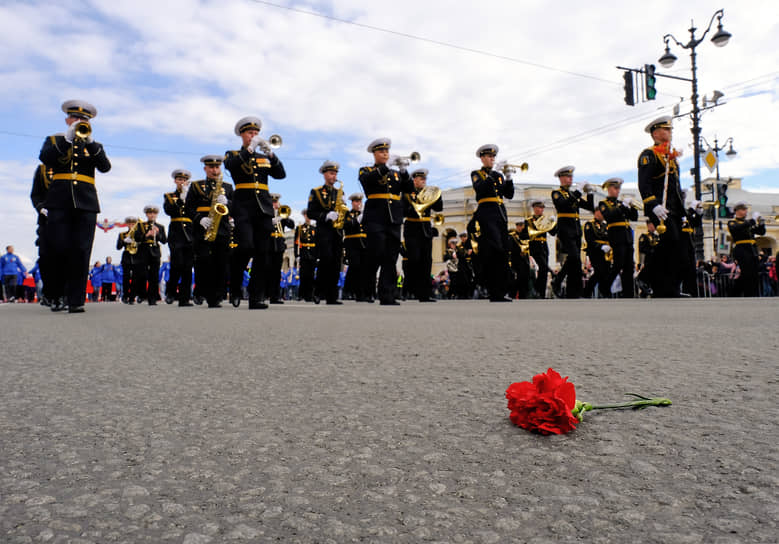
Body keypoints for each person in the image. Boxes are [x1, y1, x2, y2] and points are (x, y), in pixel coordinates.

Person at [38, 99, 111, 313]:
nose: (79, 121)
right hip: (59, 201)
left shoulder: (94, 145)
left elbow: (105, 167)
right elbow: (46, 158)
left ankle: (76, 299)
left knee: (81, 251)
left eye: (84, 119)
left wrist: (90, 143)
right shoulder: (54, 140)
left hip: (86, 203)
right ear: (67, 119)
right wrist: (67, 140)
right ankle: (57, 296)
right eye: (75, 118)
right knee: (58, 249)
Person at [224, 116, 286, 309]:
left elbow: (281, 174)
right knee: (245, 247)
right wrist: (250, 148)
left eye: (256, 133)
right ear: (242, 135)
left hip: (264, 208)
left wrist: (272, 156)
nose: (254, 136)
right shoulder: (233, 154)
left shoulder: (263, 157)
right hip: (243, 207)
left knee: (263, 253)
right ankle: (234, 287)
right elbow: (231, 166)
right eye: (250, 133)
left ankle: (255, 296)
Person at [358, 138, 415, 305]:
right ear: (374, 154)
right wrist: (386, 166)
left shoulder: (396, 174)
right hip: (375, 218)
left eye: (387, 151)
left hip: (394, 218)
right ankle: (367, 290)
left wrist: (404, 171)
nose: (385, 154)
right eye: (381, 151)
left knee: (390, 256)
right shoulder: (366, 170)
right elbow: (368, 181)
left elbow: (409, 189)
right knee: (376, 253)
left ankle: (387, 295)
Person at [638, 116, 685, 297]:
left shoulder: (670, 157)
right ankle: (644, 275)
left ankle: (668, 288)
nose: (670, 132)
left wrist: (682, 212)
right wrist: (653, 204)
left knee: (675, 247)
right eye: (667, 129)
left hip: (672, 208)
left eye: (670, 129)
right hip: (659, 207)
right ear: (656, 133)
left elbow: (676, 187)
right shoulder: (649, 155)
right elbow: (644, 184)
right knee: (670, 241)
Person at [185, 155, 234, 308]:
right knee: (202, 262)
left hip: (222, 228)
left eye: (217, 167)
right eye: (211, 167)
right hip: (202, 229)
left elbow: (236, 208)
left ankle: (216, 296)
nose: (214, 170)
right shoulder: (196, 186)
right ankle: (200, 292)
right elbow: (188, 208)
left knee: (221, 263)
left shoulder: (227, 187)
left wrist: (228, 203)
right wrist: (199, 219)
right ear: (205, 169)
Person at [469, 144, 514, 302]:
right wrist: (492, 175)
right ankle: (493, 289)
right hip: (486, 213)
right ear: (482, 158)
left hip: (500, 214)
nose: (492, 159)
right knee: (494, 249)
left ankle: (500, 291)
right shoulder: (477, 174)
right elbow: (480, 189)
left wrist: (508, 177)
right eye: (489, 156)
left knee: (503, 251)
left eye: (493, 157)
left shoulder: (499, 176)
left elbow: (509, 194)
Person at [550, 166, 593, 298]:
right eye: (568, 177)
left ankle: (573, 292)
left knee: (576, 262)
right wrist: (578, 191)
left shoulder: (572, 195)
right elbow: (564, 205)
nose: (570, 179)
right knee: (573, 257)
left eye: (571, 177)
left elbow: (589, 207)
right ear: (561, 178)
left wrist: (590, 192)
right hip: (565, 228)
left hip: (575, 229)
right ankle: (557, 280)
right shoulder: (557, 193)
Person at [307, 161, 346, 304]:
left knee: (336, 263)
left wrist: (343, 206)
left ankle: (332, 296)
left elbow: (343, 213)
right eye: (331, 173)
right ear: (324, 174)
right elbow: (311, 212)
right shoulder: (316, 192)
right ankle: (318, 292)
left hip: (337, 232)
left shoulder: (339, 193)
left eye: (335, 173)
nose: (334, 176)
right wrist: (325, 216)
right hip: (324, 231)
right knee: (325, 261)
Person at [401, 168, 443, 302]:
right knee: (414, 260)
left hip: (425, 229)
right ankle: (408, 290)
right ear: (414, 180)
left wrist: (437, 196)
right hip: (412, 228)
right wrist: (414, 207)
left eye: (425, 179)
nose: (424, 181)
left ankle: (424, 293)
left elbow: (438, 208)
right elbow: (403, 211)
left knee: (426, 261)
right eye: (421, 178)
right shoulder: (407, 193)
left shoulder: (428, 193)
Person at [598, 178, 638, 298]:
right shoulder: (604, 204)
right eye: (615, 188)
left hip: (627, 237)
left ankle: (628, 293)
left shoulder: (621, 204)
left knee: (629, 266)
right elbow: (610, 216)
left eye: (619, 188)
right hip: (616, 236)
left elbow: (634, 217)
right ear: (609, 189)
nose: (617, 191)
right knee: (618, 264)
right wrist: (623, 206)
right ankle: (604, 286)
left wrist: (633, 206)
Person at [163, 169, 195, 306]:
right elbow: (169, 210)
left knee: (188, 267)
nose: (182, 182)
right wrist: (180, 200)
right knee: (177, 264)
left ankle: (184, 298)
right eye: (179, 180)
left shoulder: (193, 196)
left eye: (184, 180)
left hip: (190, 232)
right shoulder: (169, 196)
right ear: (175, 181)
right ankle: (170, 293)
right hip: (176, 233)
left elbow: (194, 212)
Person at [728, 201, 766, 297]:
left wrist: (761, 224)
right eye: (744, 209)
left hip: (752, 250)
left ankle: (752, 294)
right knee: (746, 273)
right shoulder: (732, 222)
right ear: (737, 211)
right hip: (742, 249)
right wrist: (752, 220)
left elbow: (761, 232)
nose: (746, 211)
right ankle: (745, 294)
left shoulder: (747, 223)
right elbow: (737, 228)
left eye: (746, 209)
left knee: (753, 273)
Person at [30, 164, 54, 305]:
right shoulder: (43, 169)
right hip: (46, 219)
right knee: (45, 257)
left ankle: (61, 293)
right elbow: (35, 194)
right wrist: (41, 208)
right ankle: (49, 293)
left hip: (67, 218)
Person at [134, 205, 167, 305]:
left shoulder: (160, 227)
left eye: (154, 213)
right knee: (143, 274)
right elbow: (136, 238)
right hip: (143, 252)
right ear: (146, 214)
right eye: (150, 213)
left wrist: (158, 234)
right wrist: (147, 235)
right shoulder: (140, 225)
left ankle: (152, 298)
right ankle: (142, 294)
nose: (152, 215)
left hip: (155, 252)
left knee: (154, 275)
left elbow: (165, 240)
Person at [267, 194, 294, 304]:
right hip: (268, 242)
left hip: (279, 244)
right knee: (266, 269)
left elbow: (292, 225)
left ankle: (275, 296)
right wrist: (271, 220)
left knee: (276, 271)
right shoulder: (266, 212)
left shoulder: (281, 214)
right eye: (273, 202)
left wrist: (284, 218)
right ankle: (264, 294)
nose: (275, 204)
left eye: (276, 202)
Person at [343, 193, 370, 301]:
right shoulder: (347, 214)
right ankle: (348, 291)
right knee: (354, 267)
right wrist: (356, 220)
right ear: (352, 203)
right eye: (356, 202)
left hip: (364, 243)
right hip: (352, 243)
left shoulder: (364, 214)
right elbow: (345, 225)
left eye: (359, 202)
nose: (358, 204)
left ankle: (360, 293)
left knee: (363, 269)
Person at [527, 200, 556, 299]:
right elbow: (525, 235)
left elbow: (553, 233)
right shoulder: (529, 221)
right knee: (543, 267)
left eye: (542, 208)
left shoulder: (545, 220)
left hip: (544, 246)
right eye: (539, 208)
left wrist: (553, 223)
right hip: (534, 246)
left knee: (543, 271)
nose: (540, 210)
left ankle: (541, 293)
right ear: (534, 208)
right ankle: (537, 289)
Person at [583, 208, 611, 298]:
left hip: (606, 253)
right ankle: (588, 292)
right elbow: (589, 239)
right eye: (600, 212)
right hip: (595, 251)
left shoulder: (606, 225)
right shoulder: (590, 224)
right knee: (599, 271)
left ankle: (604, 292)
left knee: (605, 273)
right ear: (596, 213)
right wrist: (600, 246)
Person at [294, 209, 317, 301]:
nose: (308, 217)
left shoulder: (314, 229)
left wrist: (317, 255)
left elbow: (317, 243)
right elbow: (296, 242)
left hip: (312, 254)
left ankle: (309, 295)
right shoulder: (299, 228)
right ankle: (301, 295)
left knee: (311, 275)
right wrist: (297, 255)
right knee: (303, 275)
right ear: (304, 216)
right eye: (306, 215)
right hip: (303, 253)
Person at [117, 217, 140, 304]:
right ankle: (125, 295)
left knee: (135, 278)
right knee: (126, 278)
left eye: (133, 224)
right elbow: (118, 247)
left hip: (136, 257)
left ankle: (132, 297)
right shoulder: (122, 235)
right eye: (129, 224)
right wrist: (124, 241)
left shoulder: (138, 235)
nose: (131, 226)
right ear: (127, 224)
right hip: (126, 257)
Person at [508, 220, 531, 299]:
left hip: (525, 261)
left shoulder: (528, 236)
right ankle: (512, 295)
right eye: (518, 225)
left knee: (524, 280)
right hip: (516, 261)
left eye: (521, 226)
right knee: (515, 280)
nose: (519, 227)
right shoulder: (512, 236)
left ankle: (524, 296)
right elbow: (510, 248)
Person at [637, 220, 660, 297]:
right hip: (648, 262)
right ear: (648, 225)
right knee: (646, 280)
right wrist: (640, 263)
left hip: (657, 261)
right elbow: (642, 250)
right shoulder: (644, 236)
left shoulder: (657, 236)